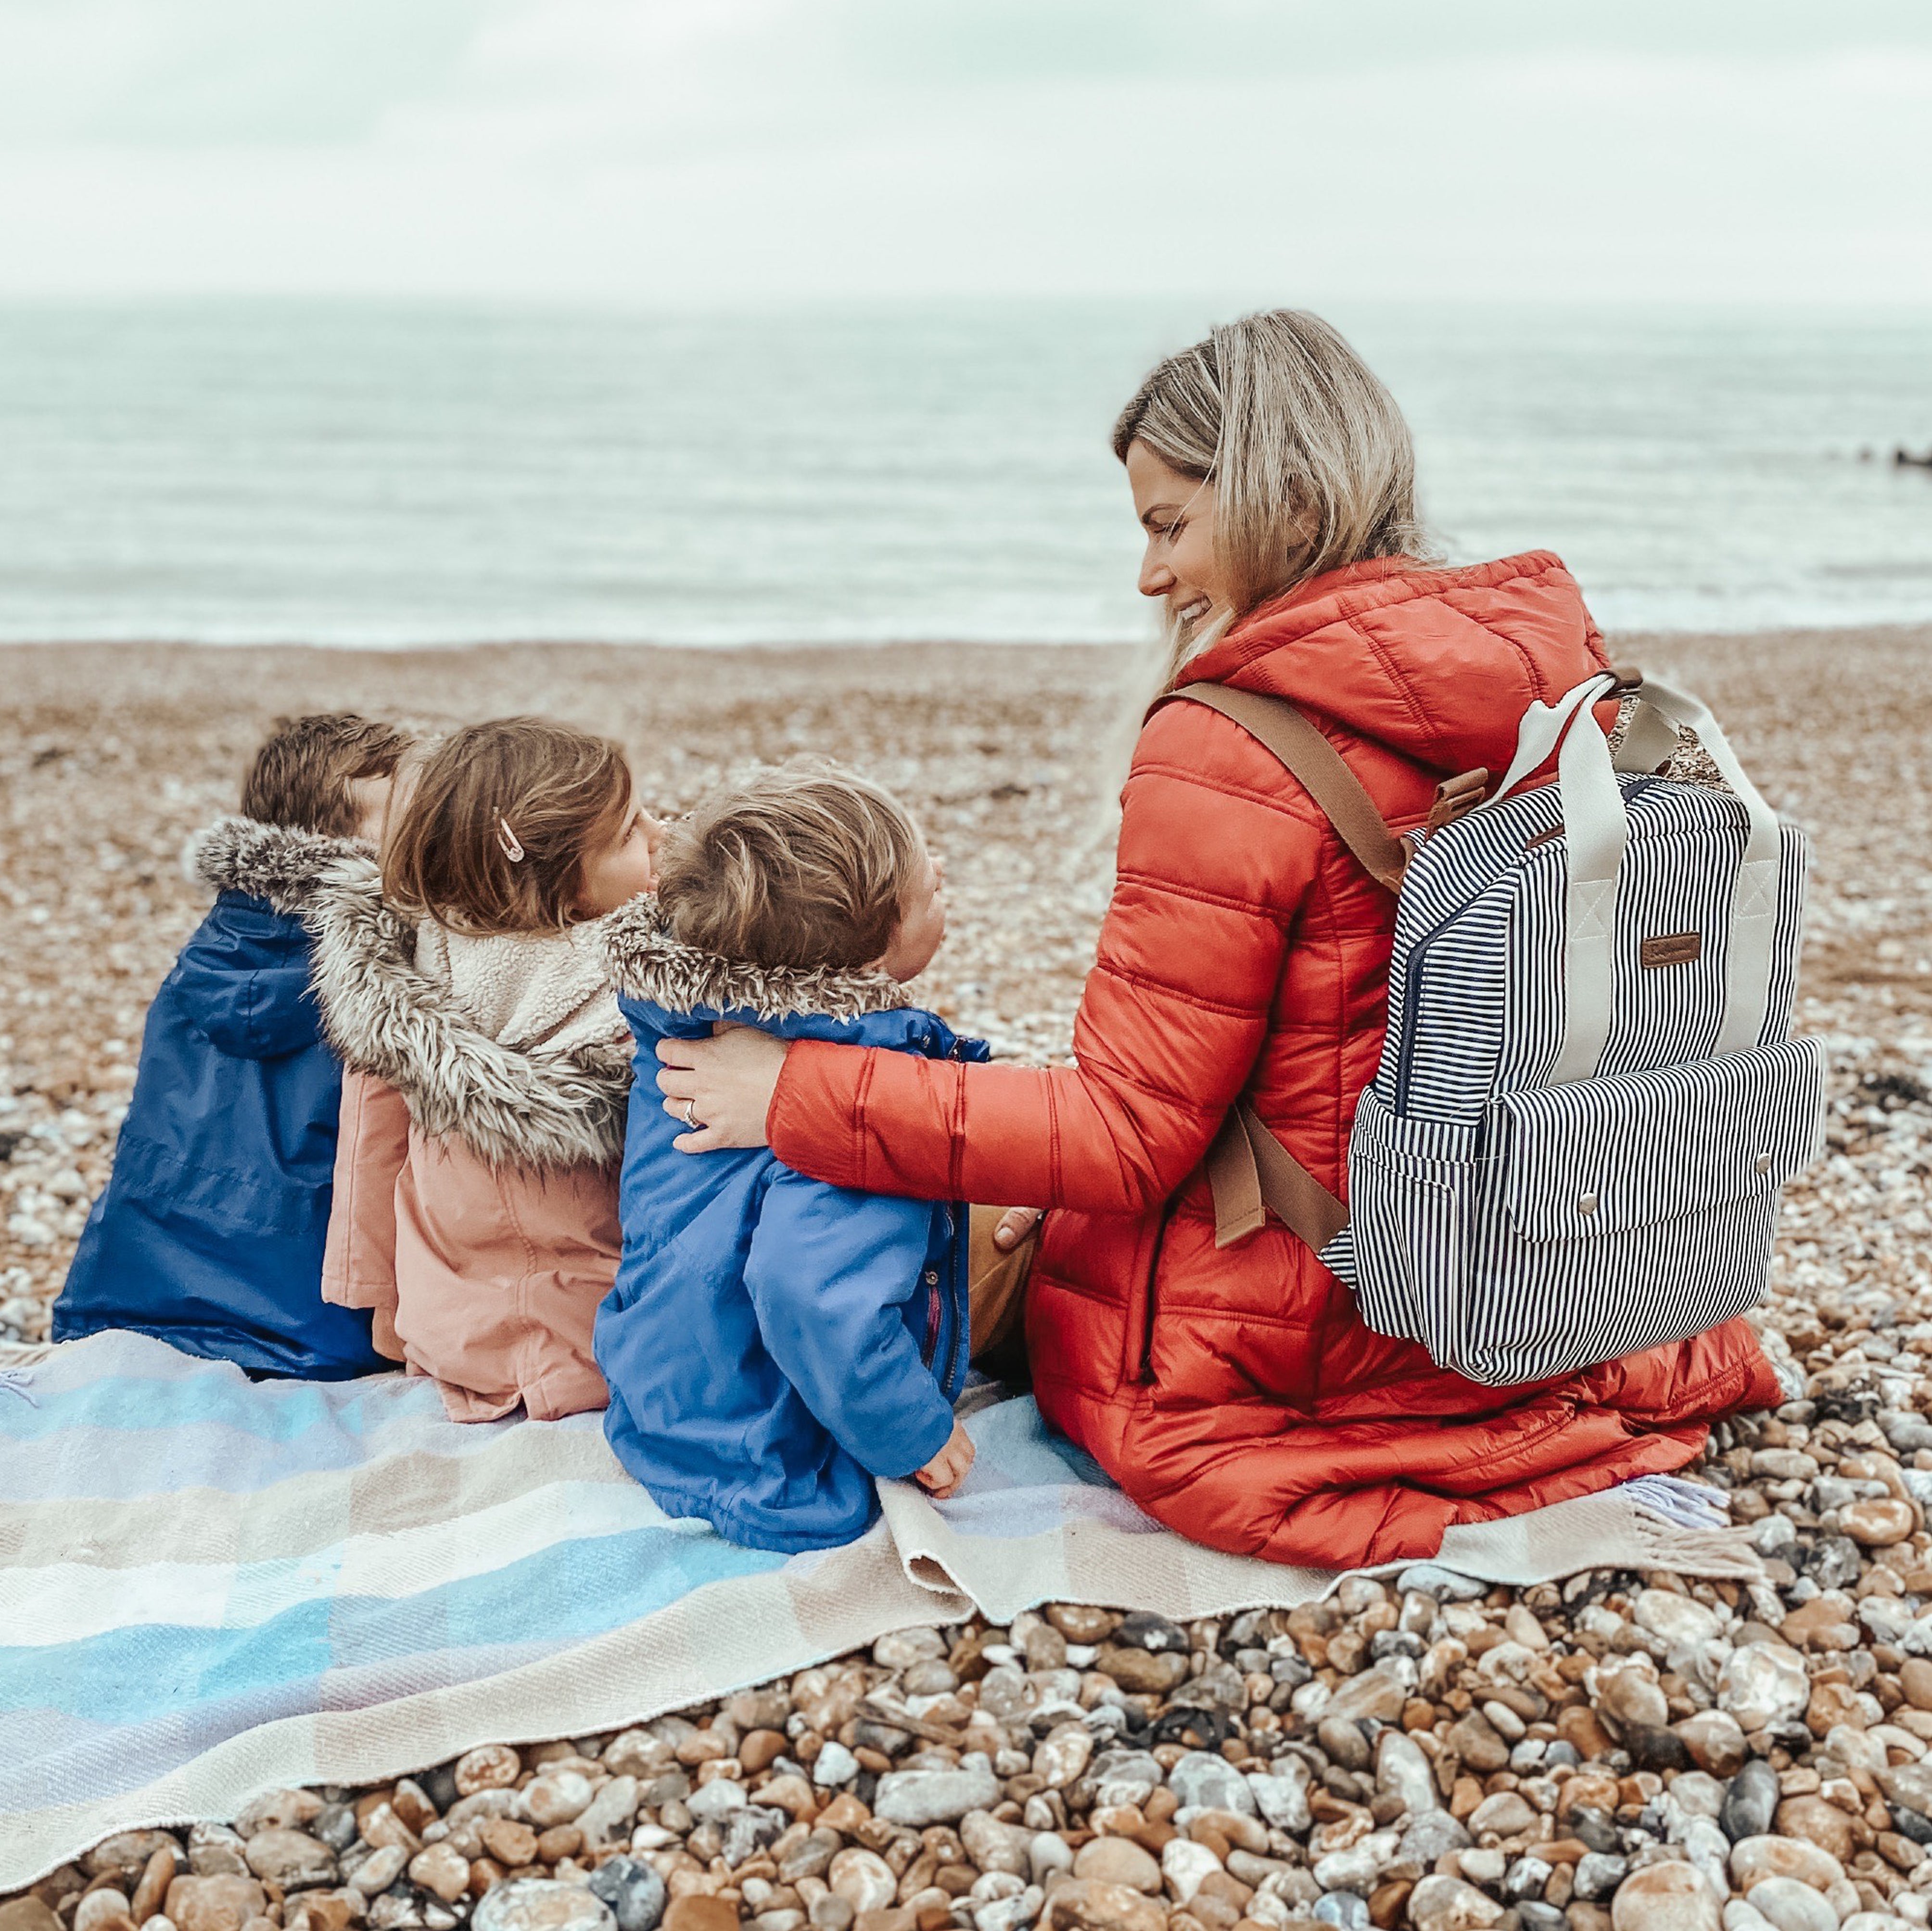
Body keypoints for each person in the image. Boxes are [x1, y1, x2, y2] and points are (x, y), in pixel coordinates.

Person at [651, 309, 1781, 1569]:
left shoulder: (1228, 739)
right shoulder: (1556, 682)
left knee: (908, 1241)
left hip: (1305, 1331)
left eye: (1167, 524)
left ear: (1282, 497)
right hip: (1528, 1252)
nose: (1148, 574)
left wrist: (793, 1091)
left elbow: (1130, 1140)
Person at [594, 760, 993, 1552]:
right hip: (771, 1453)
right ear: (872, 951)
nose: (942, 873)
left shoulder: (688, 1028)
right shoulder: (858, 1088)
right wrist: (912, 1433)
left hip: (660, 1398)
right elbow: (814, 1295)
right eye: (926, 886)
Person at [307, 716, 659, 1421]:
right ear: (559, 891)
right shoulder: (643, 990)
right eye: (628, 833)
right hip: (610, 1338)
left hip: (450, 1333)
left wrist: (380, 1308)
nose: (661, 832)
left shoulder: (404, 982)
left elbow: (369, 1163)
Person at [54, 712, 411, 1378]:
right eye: (408, 819)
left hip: (135, 1291)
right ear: (335, 842)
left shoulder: (205, 957)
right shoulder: (377, 973)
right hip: (312, 1322)